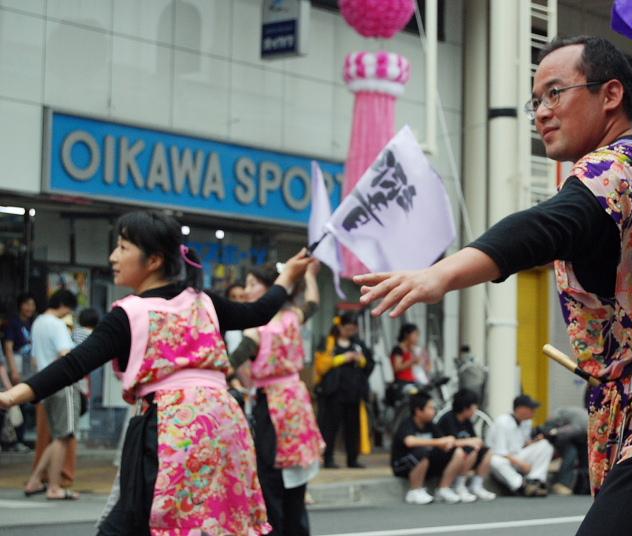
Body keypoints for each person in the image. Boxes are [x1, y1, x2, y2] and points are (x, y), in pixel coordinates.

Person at [355, 35, 632, 534]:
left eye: (555, 93)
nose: (542, 112)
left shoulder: (607, 172)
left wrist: (441, 274)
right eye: (535, 101)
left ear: (610, 94)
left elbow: (542, 226)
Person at [0, 210, 312, 534]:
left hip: (169, 428)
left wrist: (10, 396)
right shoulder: (202, 301)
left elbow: (74, 365)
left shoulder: (131, 314)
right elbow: (260, 311)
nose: (113, 256)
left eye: (122, 248)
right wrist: (287, 276)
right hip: (223, 423)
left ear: (153, 260)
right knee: (210, 524)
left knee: (137, 523)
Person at [227, 259, 325, 536]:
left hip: (272, 406)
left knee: (270, 481)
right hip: (297, 404)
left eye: (251, 284)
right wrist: (310, 276)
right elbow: (314, 303)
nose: (246, 291)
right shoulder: (293, 316)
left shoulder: (257, 328)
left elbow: (229, 364)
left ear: (274, 288)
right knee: (295, 483)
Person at [23, 289, 79, 500]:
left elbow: (35, 359)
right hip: (62, 385)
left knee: (56, 437)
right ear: (64, 305)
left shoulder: (37, 323)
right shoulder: (57, 325)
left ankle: (35, 480)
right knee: (64, 436)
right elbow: (66, 355)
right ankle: (54, 487)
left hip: (44, 386)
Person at [391, 392, 477, 504]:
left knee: (458, 453)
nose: (434, 411)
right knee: (423, 452)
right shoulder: (408, 423)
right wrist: (438, 442)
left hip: (425, 463)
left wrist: (450, 443)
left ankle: (444, 488)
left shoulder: (430, 425)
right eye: (430, 408)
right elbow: (410, 441)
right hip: (402, 465)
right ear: (418, 410)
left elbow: (444, 442)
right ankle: (414, 491)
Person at [315, 311, 374, 469]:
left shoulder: (358, 344)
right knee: (330, 427)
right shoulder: (328, 342)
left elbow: (369, 364)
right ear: (339, 326)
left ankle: (352, 459)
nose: (350, 332)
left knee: (353, 427)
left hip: (353, 392)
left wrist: (360, 360)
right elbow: (321, 366)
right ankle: (328, 458)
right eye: (347, 328)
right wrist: (344, 358)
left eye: (353, 329)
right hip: (333, 393)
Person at [485, 395, 553, 497]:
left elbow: (522, 444)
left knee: (545, 445)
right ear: (520, 409)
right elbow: (500, 451)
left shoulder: (526, 422)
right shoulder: (503, 422)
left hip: (517, 456)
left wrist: (534, 442)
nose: (533, 411)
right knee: (495, 460)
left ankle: (535, 480)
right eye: (530, 408)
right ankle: (521, 486)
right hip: (504, 459)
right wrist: (521, 463)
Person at [435, 389, 496, 500]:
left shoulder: (467, 421)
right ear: (465, 407)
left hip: (463, 455)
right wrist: (470, 442)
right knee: (467, 451)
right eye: (474, 407)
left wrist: (477, 442)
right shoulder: (447, 419)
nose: (475, 410)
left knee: (487, 452)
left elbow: (474, 438)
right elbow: (447, 442)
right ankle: (450, 486)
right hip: (445, 456)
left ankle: (476, 485)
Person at [3, 292, 36, 383]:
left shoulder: (33, 323)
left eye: (33, 305)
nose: (30, 308)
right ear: (20, 305)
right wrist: (14, 370)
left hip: (30, 364)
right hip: (17, 363)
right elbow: (8, 348)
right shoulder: (13, 323)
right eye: (27, 305)